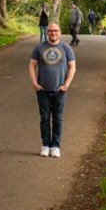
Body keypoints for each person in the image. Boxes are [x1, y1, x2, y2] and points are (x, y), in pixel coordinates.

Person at [28, 23, 76, 158]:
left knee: (58, 119)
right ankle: (45, 145)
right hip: (42, 90)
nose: (53, 33)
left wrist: (66, 85)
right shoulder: (39, 47)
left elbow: (72, 67)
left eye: (55, 31)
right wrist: (35, 84)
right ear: (47, 33)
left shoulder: (66, 48)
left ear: (59, 32)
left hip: (59, 91)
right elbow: (32, 66)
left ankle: (55, 146)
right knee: (44, 118)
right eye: (50, 31)